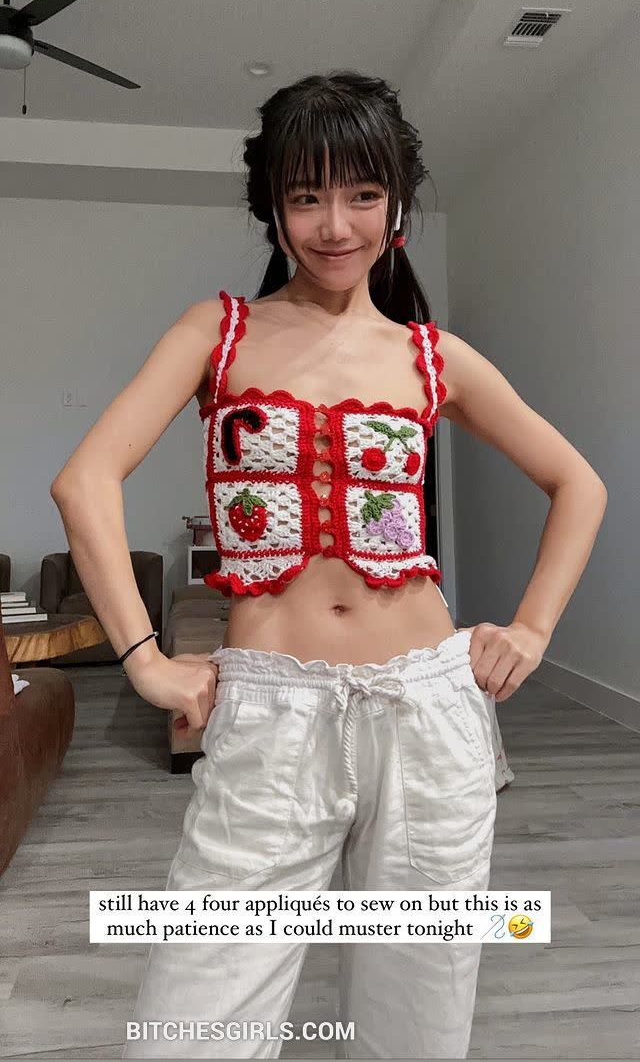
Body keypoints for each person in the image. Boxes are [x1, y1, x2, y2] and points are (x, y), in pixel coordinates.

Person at [50, 70, 608, 1059]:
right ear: (271, 207)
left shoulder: (432, 356)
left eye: (362, 194)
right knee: (193, 1029)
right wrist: (144, 660)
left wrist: (531, 630)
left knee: (416, 1024)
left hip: (430, 713)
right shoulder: (217, 333)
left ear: (397, 204)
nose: (335, 224)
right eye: (306, 196)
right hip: (273, 713)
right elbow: (84, 480)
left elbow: (579, 483)